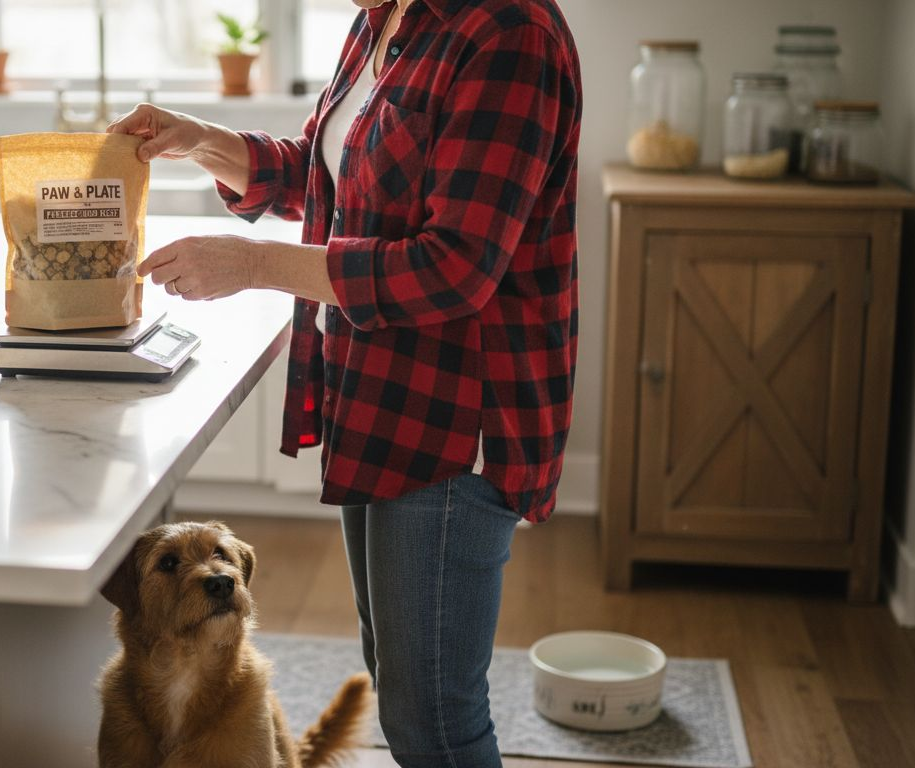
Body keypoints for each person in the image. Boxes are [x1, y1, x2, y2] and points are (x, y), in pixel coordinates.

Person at [108, 0, 580, 764]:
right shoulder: (383, 18)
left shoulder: (509, 33)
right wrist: (202, 142)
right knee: (400, 679)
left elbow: (453, 266)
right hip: (378, 393)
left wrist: (254, 265)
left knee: (434, 716)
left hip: (455, 417)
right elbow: (333, 179)